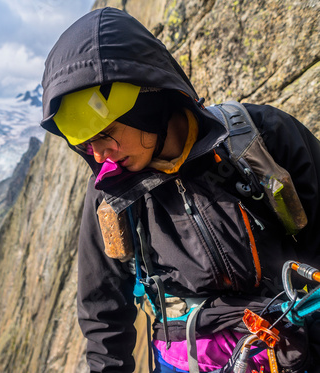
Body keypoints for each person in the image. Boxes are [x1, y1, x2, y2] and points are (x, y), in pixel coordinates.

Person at [40, 7, 320, 373]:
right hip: (193, 360)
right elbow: (103, 315)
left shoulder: (261, 139)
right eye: (86, 145)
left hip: (297, 346)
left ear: (146, 104)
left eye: (105, 135)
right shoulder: (110, 198)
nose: (99, 154)